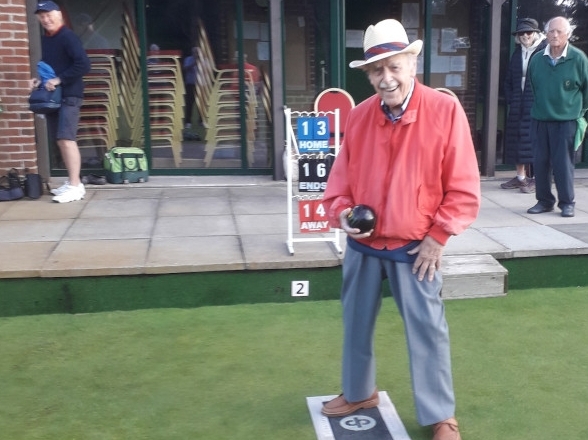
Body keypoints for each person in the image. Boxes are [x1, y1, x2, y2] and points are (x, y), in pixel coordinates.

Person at [321, 19, 480, 440]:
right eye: (376, 70)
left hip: (416, 247)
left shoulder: (444, 110)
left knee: (427, 331)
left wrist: (438, 237)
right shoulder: (359, 116)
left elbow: (464, 186)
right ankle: (359, 393)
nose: (386, 78)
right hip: (364, 245)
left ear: (412, 63)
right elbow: (340, 183)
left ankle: (440, 415)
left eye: (394, 66)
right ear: (368, 74)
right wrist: (342, 213)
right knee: (355, 323)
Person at [29, 1, 91, 203]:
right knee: (60, 140)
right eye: (42, 16)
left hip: (70, 95)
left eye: (49, 15)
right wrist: (40, 81)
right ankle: (72, 182)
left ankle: (75, 186)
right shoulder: (47, 40)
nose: (46, 19)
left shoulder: (67, 36)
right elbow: (51, 69)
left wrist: (59, 79)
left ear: (59, 15)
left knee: (66, 138)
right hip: (54, 97)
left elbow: (84, 64)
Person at [527, 16, 588, 218]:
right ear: (545, 34)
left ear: (568, 34)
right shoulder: (537, 59)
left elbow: (586, 91)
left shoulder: (578, 58)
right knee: (540, 163)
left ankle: (567, 203)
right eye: (551, 31)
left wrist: (578, 114)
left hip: (566, 121)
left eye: (559, 31)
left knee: (563, 164)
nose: (554, 35)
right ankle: (544, 201)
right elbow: (534, 88)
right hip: (540, 119)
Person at [501, 18, 547, 193]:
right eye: (521, 33)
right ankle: (521, 178)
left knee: (536, 141)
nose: (525, 36)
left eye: (528, 32)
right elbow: (509, 80)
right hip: (518, 104)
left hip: (536, 105)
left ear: (536, 34)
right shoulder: (517, 53)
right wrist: (511, 99)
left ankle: (537, 180)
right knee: (517, 140)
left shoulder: (544, 51)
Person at [183, 46, 197, 129]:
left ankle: (201, 121)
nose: (196, 53)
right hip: (190, 84)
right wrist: (193, 64)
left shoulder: (203, 60)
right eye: (195, 52)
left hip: (200, 85)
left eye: (197, 52)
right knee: (189, 103)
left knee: (201, 104)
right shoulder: (188, 59)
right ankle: (188, 121)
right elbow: (185, 68)